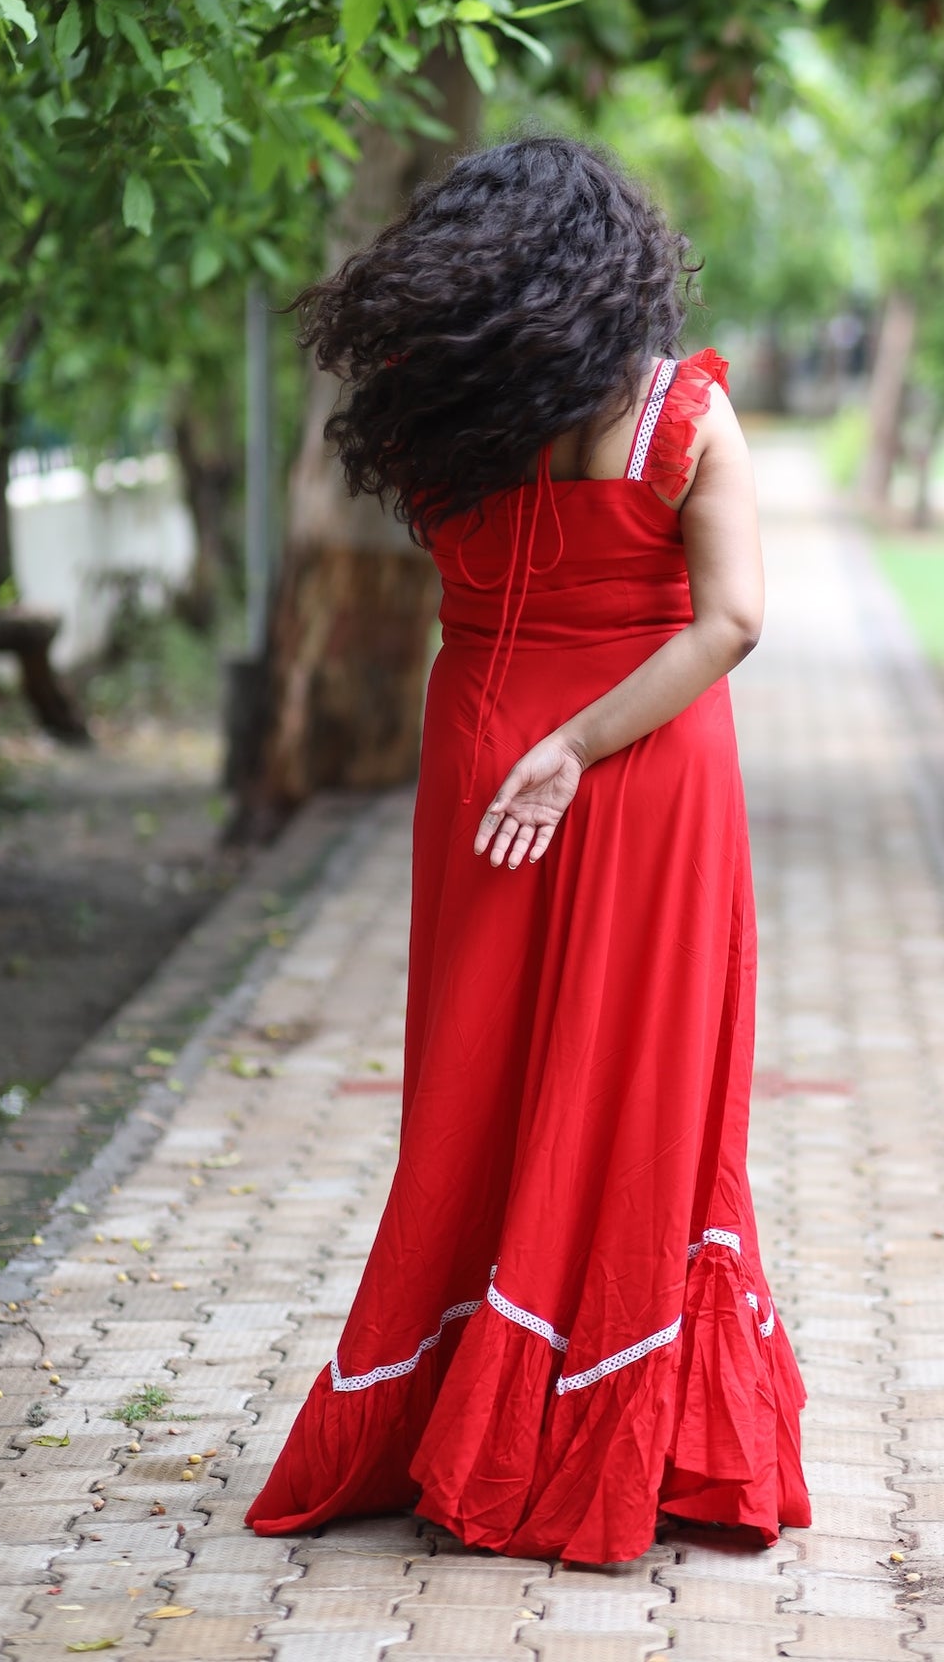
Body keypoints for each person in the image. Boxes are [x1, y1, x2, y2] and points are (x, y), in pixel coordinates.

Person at [246, 135, 809, 1565]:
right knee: (636, 1079)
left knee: (479, 1075)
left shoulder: (447, 423)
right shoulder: (680, 417)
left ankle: (445, 1411)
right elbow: (731, 622)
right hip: (640, 766)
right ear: (617, 272)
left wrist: (538, 744)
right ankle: (608, 1428)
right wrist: (583, 749)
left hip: (484, 756)